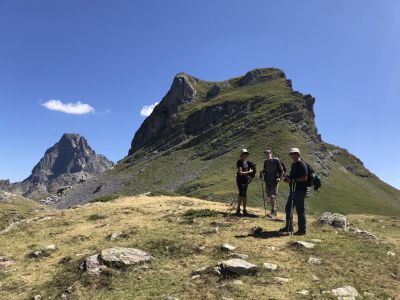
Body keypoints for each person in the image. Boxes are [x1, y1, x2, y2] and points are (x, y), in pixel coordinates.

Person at [280, 148, 308, 235]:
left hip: (300, 190)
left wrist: (293, 180)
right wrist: (288, 179)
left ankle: (302, 230)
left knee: (300, 210)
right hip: (293, 190)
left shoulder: (301, 164)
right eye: (291, 154)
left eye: (294, 154)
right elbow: (293, 177)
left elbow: (304, 177)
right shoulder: (294, 164)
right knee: (288, 208)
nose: (293, 155)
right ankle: (289, 226)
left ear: (298, 154)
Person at [260, 150, 284, 219]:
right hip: (267, 181)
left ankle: (274, 211)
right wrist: (262, 172)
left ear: (271, 154)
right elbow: (265, 170)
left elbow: (282, 170)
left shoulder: (276, 160)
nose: (267, 155)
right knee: (270, 196)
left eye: (268, 153)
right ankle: (273, 211)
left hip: (274, 181)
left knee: (272, 196)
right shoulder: (266, 162)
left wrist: (280, 178)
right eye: (266, 154)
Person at [236, 149, 254, 216]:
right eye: (244, 154)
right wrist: (249, 172)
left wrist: (249, 177)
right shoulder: (239, 162)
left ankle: (244, 210)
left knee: (244, 194)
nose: (245, 155)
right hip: (240, 180)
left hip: (245, 180)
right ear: (241, 155)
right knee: (241, 193)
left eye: (246, 154)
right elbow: (240, 173)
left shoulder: (246, 162)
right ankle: (238, 209)